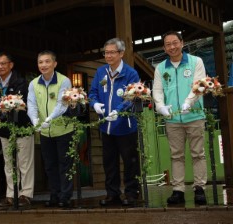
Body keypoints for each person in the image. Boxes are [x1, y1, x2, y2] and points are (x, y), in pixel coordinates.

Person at [153, 31, 207, 205]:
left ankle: (200, 188)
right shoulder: (161, 68)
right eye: (168, 44)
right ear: (164, 48)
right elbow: (158, 90)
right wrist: (160, 106)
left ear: (182, 43)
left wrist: (188, 103)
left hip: (194, 116)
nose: (172, 47)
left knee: (198, 153)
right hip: (172, 120)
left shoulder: (196, 62)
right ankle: (178, 190)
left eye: (175, 42)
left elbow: (200, 85)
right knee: (176, 156)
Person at [88, 38, 140, 206]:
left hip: (126, 127)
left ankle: (132, 194)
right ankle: (112, 194)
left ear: (121, 53)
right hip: (106, 127)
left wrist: (118, 111)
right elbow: (93, 91)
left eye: (112, 52)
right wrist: (95, 103)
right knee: (109, 163)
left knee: (130, 162)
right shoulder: (101, 72)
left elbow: (132, 96)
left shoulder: (130, 73)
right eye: (106, 52)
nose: (108, 56)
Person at [0, 52, 34, 209]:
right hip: (4, 130)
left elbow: (17, 105)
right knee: (9, 163)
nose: (0, 67)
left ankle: (26, 194)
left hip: (22, 126)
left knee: (24, 162)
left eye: (3, 63)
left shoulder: (21, 82)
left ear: (11, 65)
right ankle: (11, 195)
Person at [27, 50, 74, 208]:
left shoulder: (64, 81)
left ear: (54, 63)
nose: (44, 65)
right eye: (41, 62)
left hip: (64, 130)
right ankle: (54, 195)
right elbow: (31, 104)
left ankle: (65, 196)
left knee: (64, 163)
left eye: (47, 61)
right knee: (50, 165)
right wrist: (34, 120)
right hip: (45, 132)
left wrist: (49, 118)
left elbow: (63, 103)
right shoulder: (33, 83)